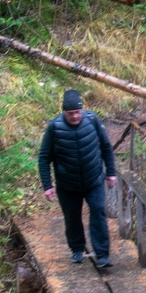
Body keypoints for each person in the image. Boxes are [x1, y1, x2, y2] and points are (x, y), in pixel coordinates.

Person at [37, 88, 119, 269]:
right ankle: (77, 248)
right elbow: (44, 157)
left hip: (94, 179)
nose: (74, 116)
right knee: (72, 217)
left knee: (98, 212)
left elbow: (106, 147)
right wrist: (47, 186)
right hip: (67, 184)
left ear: (82, 110)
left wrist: (111, 173)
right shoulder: (54, 127)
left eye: (77, 112)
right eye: (70, 113)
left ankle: (102, 255)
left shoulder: (92, 121)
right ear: (64, 112)